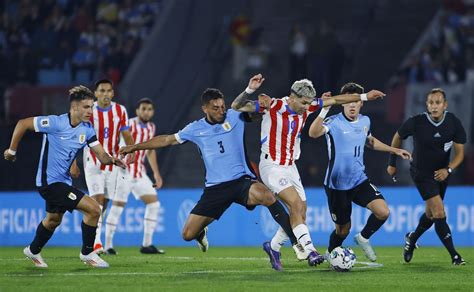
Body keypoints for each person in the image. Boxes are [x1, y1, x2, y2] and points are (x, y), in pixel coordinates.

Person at [119, 87, 298, 271]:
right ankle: (200, 233)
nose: (221, 111)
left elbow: (256, 114)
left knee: (267, 196)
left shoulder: (235, 116)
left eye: (222, 106)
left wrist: (262, 104)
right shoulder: (195, 128)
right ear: (204, 108)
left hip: (241, 181)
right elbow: (166, 140)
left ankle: (295, 242)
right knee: (187, 234)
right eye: (215, 108)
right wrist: (135, 147)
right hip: (215, 189)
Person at [231, 74, 385, 268]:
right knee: (295, 204)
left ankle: (273, 246)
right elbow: (236, 107)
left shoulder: (310, 105)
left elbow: (337, 99)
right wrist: (250, 90)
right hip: (271, 166)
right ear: (293, 97)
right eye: (303, 103)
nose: (307, 107)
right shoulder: (273, 106)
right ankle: (311, 251)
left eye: (309, 103)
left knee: (300, 212)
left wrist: (364, 97)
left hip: (290, 167)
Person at [4, 85, 126, 268]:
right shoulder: (55, 123)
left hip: (63, 181)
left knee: (53, 220)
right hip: (49, 183)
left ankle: (33, 250)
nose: (90, 111)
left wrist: (112, 160)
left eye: (91, 107)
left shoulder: (88, 129)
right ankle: (88, 253)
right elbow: (23, 123)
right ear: (74, 107)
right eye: (86, 107)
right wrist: (12, 151)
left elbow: (101, 154)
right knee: (94, 209)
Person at [307, 82, 412, 261]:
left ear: (361, 103)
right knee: (343, 230)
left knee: (383, 211)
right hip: (337, 185)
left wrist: (394, 150)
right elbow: (313, 133)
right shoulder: (333, 122)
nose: (352, 105)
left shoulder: (365, 121)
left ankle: (363, 238)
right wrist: (324, 109)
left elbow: (370, 141)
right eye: (349, 102)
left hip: (358, 180)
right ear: (343, 103)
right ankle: (330, 252)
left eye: (355, 102)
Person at [387, 88, 466, 265]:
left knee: (431, 215)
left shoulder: (453, 122)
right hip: (421, 173)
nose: (434, 106)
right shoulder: (416, 122)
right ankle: (455, 256)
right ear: (427, 105)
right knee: (439, 211)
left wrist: (449, 169)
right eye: (431, 102)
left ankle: (412, 239)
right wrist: (392, 162)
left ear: (445, 105)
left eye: (438, 102)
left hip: (441, 174)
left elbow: (460, 154)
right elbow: (397, 137)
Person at [71, 78, 135, 253]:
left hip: (112, 161)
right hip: (92, 159)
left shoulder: (120, 111)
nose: (105, 94)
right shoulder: (89, 111)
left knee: (104, 204)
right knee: (98, 200)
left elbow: (126, 134)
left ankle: (93, 233)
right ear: (96, 93)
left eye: (108, 91)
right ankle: (96, 243)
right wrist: (75, 162)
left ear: (112, 93)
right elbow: (78, 136)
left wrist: (132, 150)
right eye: (102, 91)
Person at [104, 98, 165, 255]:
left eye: (149, 109)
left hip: (140, 173)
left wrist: (156, 173)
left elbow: (150, 151)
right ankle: (107, 246)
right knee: (117, 207)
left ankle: (146, 244)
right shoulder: (128, 124)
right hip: (123, 172)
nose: (146, 111)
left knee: (154, 204)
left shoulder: (151, 127)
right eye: (143, 108)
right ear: (137, 111)